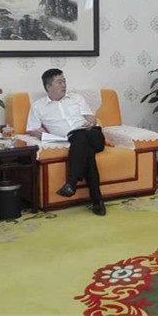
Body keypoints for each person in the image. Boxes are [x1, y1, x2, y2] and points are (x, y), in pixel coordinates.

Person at [26, 68, 106, 216]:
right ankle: (97, 201)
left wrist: (91, 123)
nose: (64, 85)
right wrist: (39, 132)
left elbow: (91, 118)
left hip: (93, 136)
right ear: (48, 86)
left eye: (64, 81)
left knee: (80, 135)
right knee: (86, 151)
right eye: (59, 82)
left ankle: (72, 183)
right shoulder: (38, 106)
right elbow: (31, 129)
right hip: (76, 141)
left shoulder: (76, 98)